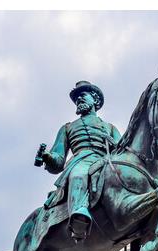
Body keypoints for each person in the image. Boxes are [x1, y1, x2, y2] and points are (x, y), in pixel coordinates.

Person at [40, 81, 121, 241]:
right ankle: (79, 215)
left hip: (106, 162)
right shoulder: (68, 128)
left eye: (82, 96)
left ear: (95, 100)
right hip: (81, 160)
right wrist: (48, 157)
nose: (78, 100)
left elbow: (123, 150)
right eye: (76, 98)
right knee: (79, 175)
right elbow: (58, 161)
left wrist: (114, 144)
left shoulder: (110, 128)